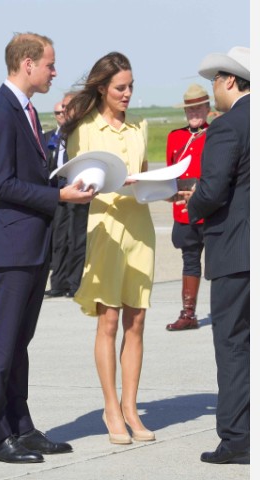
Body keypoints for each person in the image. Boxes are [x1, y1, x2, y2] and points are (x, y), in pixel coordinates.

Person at [0, 32, 96, 464]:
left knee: (19, 343)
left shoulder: (24, 112)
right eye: (49, 64)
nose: (54, 71)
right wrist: (58, 199)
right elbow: (2, 186)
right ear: (27, 64)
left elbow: (27, 177)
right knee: (2, 344)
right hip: (11, 248)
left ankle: (20, 427)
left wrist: (64, 184)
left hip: (31, 245)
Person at [61, 52, 156, 445]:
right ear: (102, 88)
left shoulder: (139, 130)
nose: (128, 93)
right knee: (110, 321)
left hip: (139, 230)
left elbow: (147, 179)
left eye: (131, 86)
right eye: (121, 87)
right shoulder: (84, 131)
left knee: (135, 324)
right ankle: (110, 407)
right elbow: (74, 183)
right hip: (104, 229)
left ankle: (131, 407)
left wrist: (158, 187)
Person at [178, 46, 250, 464]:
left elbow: (215, 187)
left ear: (228, 81)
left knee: (234, 344)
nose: (213, 91)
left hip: (236, 253)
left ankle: (238, 438)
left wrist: (193, 201)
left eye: (214, 83)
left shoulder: (227, 127)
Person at [165, 84, 211, 331]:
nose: (194, 113)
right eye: (190, 109)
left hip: (211, 210)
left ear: (207, 109)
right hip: (184, 212)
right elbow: (170, 175)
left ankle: (233, 313)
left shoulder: (215, 134)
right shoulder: (175, 137)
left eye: (198, 108)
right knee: (190, 260)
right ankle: (188, 313)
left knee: (221, 265)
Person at [44, 92, 90, 298]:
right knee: (59, 236)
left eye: (67, 107)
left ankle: (74, 283)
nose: (63, 111)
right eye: (61, 108)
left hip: (78, 185)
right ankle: (58, 283)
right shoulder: (57, 134)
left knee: (77, 237)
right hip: (59, 187)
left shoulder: (83, 131)